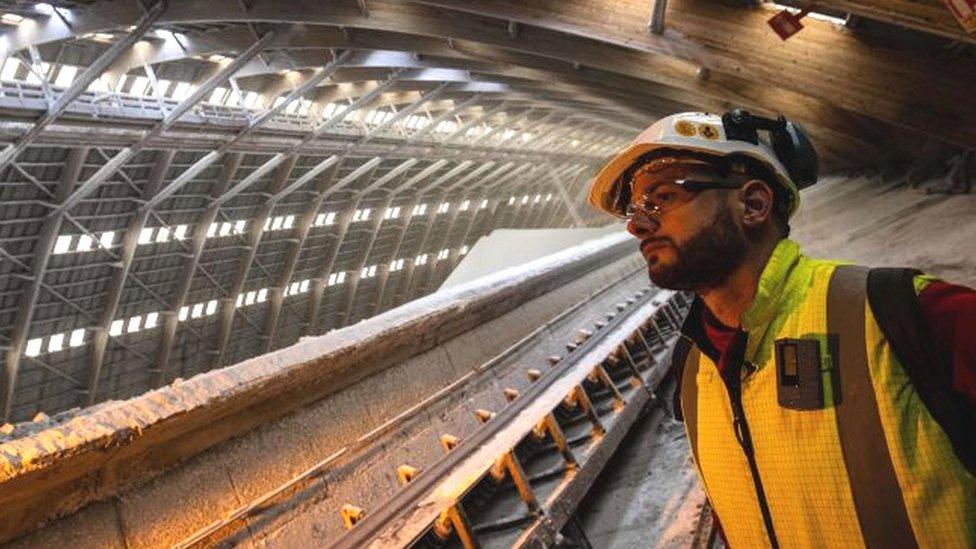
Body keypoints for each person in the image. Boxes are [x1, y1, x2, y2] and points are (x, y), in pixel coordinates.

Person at [586, 110, 976, 548]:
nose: (639, 225)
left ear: (753, 204)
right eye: (636, 210)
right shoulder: (695, 369)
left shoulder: (902, 312)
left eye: (662, 198)